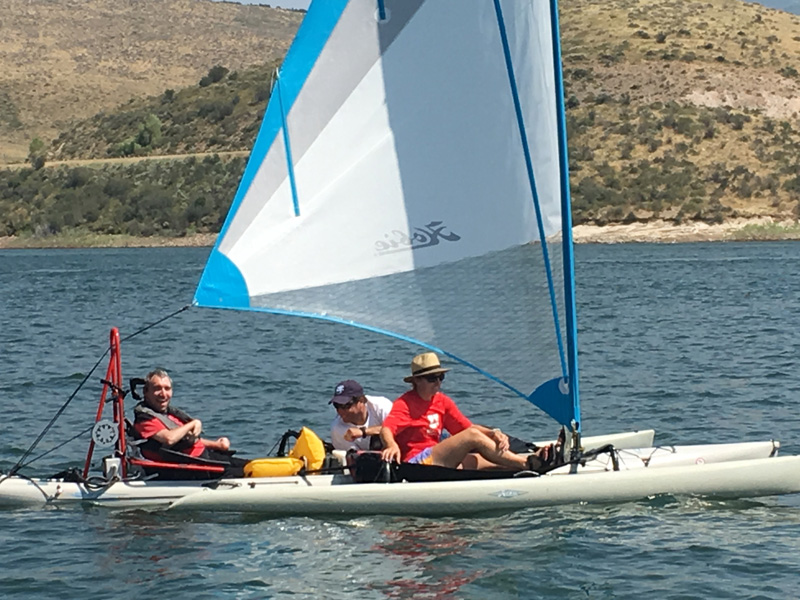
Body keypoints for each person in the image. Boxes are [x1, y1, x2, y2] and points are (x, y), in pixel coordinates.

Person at [379, 352, 563, 473]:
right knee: (473, 437)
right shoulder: (405, 403)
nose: (438, 382)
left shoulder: (442, 401)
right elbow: (386, 429)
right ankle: (526, 464)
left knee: (486, 461)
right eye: (432, 378)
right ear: (417, 381)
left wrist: (494, 433)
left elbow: (466, 428)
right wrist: (391, 445)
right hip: (416, 465)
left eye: (440, 377)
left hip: (438, 459)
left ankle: (532, 461)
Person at [132, 368, 248, 476]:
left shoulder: (168, 414)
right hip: (191, 467)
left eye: (167, 388)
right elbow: (169, 438)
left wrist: (217, 445)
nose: (163, 394)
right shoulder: (145, 419)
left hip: (204, 457)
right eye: (157, 389)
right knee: (248, 472)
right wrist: (194, 423)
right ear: (146, 392)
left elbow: (186, 439)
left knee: (251, 464)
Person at [329, 379, 393, 451]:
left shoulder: (381, 406)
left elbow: (399, 428)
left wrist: (363, 432)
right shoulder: (337, 429)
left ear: (361, 400)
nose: (340, 411)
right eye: (337, 405)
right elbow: (354, 457)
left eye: (345, 406)